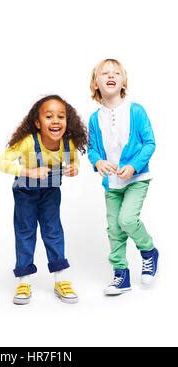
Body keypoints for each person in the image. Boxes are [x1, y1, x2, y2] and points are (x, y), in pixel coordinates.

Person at [0, 95, 87, 304]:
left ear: (67, 121)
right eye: (48, 116)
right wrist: (28, 171)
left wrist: (75, 168)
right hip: (25, 194)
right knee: (25, 233)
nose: (55, 121)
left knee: (53, 232)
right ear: (37, 122)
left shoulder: (68, 144)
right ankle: (23, 280)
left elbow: (74, 160)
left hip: (51, 194)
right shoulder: (28, 142)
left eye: (60, 117)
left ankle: (60, 279)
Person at [88, 59, 159, 295]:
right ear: (96, 83)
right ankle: (121, 275)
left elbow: (150, 143)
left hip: (136, 179)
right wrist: (97, 161)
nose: (111, 75)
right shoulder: (94, 118)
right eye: (105, 73)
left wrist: (134, 166)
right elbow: (92, 149)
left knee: (127, 220)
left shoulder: (135, 110)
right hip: (112, 183)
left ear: (123, 81)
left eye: (116, 73)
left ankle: (148, 251)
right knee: (114, 229)